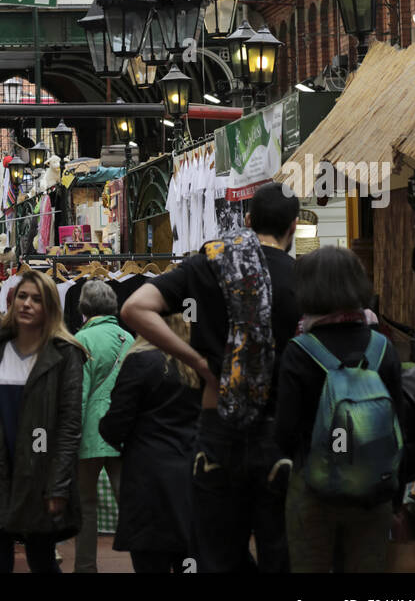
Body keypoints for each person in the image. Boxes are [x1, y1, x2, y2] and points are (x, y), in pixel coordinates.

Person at [122, 181, 299, 573]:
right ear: (294, 226)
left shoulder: (209, 265)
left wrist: (198, 361)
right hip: (279, 431)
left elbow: (135, 308)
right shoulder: (302, 276)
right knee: (279, 551)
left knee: (217, 555)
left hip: (217, 424)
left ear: (248, 221)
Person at [274, 245, 405, 573]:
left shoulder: (299, 352)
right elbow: (400, 425)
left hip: (314, 491)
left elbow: (285, 433)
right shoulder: (382, 348)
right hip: (373, 491)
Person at [0, 270, 86, 573]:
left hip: (40, 474)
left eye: (36, 299)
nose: (26, 304)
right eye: (22, 296)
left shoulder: (65, 354)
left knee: (42, 559)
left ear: (50, 307)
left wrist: (58, 486)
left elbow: (69, 425)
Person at [99, 313, 202, 573]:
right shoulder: (196, 364)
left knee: (150, 562)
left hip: (147, 479)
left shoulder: (140, 361)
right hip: (189, 474)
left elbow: (115, 424)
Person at [72, 280, 133, 573]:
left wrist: (73, 435)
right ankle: (147, 562)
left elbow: (78, 394)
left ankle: (85, 567)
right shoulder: (128, 339)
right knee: (130, 503)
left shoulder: (81, 341)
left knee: (85, 504)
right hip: (123, 431)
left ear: (83, 307)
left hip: (89, 433)